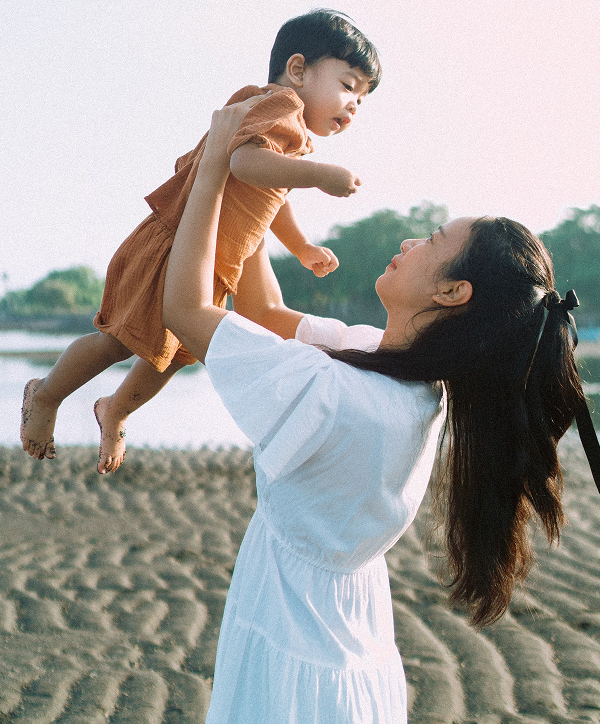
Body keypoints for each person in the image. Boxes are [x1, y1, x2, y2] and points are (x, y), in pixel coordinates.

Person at [161, 99, 588, 724]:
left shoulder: (346, 395)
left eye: (433, 242)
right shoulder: (408, 379)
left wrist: (212, 170)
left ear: (450, 292)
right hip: (345, 637)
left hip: (293, 642)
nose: (410, 241)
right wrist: (259, 181)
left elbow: (186, 311)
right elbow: (263, 313)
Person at [20, 9, 381, 473]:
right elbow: (245, 164)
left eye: (363, 99)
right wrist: (319, 175)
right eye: (349, 85)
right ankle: (46, 394)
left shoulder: (293, 138)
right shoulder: (277, 105)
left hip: (210, 264)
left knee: (171, 357)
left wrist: (301, 246)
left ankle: (116, 409)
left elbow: (272, 196)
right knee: (119, 342)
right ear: (297, 70)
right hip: (174, 249)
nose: (354, 105)